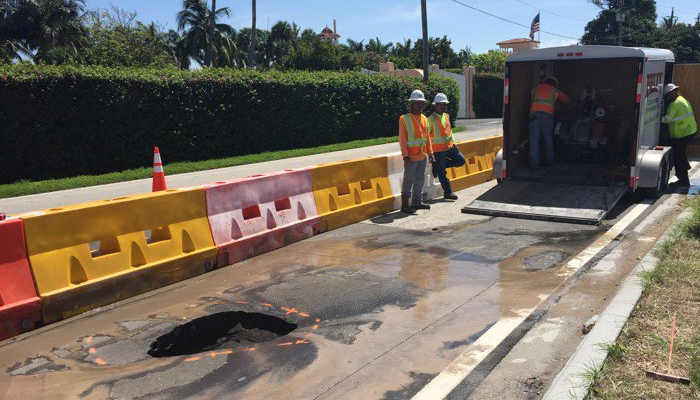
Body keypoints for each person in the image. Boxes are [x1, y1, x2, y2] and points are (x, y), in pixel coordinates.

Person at [399, 89, 435, 214]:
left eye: (422, 103)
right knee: (408, 180)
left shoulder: (425, 119)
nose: (420, 106)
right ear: (411, 104)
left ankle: (416, 202)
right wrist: (405, 155)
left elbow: (427, 138)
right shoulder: (404, 119)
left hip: (422, 155)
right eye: (417, 103)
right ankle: (405, 204)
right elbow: (402, 139)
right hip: (410, 156)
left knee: (420, 179)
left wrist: (431, 153)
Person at [428, 93, 466, 200]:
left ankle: (439, 166)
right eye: (440, 105)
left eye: (444, 105)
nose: (442, 107)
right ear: (435, 105)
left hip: (450, 147)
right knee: (442, 174)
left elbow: (450, 132)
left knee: (461, 161)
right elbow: (426, 136)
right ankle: (448, 192)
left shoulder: (446, 116)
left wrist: (454, 143)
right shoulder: (430, 119)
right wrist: (430, 152)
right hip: (438, 150)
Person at [529, 76, 570, 170]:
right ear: (555, 84)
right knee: (548, 139)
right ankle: (550, 162)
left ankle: (534, 165)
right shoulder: (555, 90)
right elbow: (567, 100)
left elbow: (532, 100)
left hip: (534, 115)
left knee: (534, 141)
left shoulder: (535, 88)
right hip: (547, 116)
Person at [662, 83, 697, 188]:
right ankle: (684, 171)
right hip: (688, 132)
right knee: (680, 155)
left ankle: (683, 180)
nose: (667, 98)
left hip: (683, 134)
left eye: (667, 96)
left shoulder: (676, 104)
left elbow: (667, 119)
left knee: (678, 156)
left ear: (672, 93)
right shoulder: (682, 99)